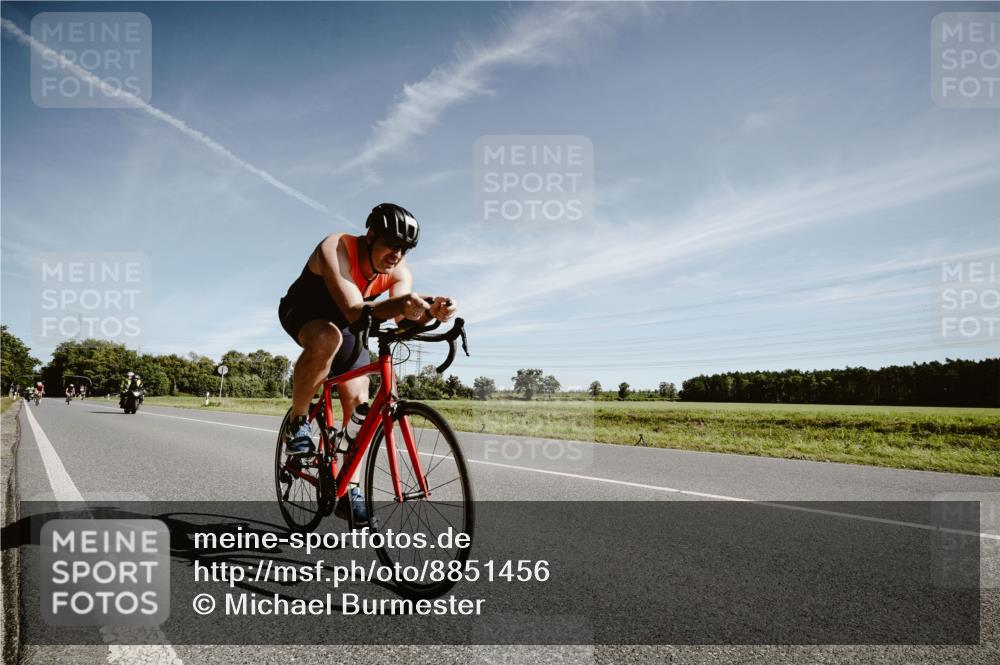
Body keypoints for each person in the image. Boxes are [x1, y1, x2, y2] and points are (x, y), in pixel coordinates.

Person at [278, 203, 457, 524]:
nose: (397, 254)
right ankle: (299, 420)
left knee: (359, 403)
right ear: (370, 236)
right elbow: (352, 309)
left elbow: (402, 316)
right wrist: (403, 303)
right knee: (326, 338)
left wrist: (431, 310)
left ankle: (350, 488)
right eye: (391, 243)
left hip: (349, 328)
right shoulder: (337, 247)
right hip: (307, 310)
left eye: (405, 248)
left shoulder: (399, 272)